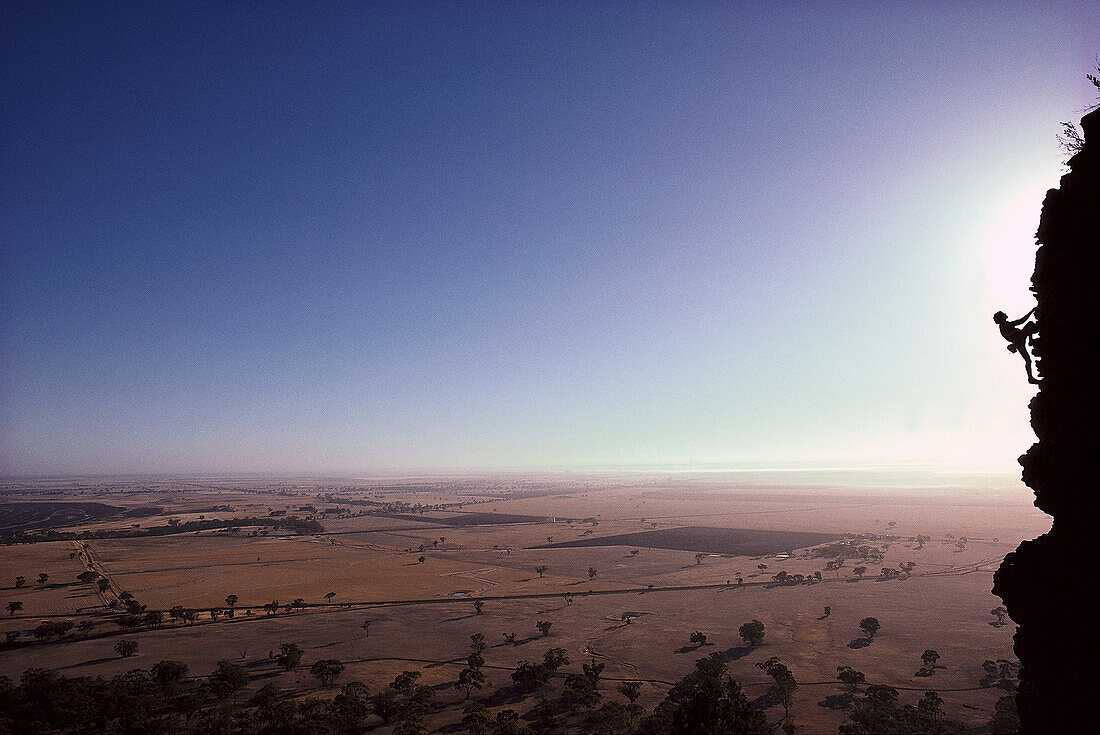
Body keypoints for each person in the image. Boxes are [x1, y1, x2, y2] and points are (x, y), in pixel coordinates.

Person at [994, 307, 1040, 384]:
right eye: (1003, 314)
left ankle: (1030, 378)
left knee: (1028, 360)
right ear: (1001, 318)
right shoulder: (1004, 325)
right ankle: (1031, 340)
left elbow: (1019, 323)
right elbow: (1021, 321)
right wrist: (1031, 311)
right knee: (1030, 324)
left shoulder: (1004, 326)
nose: (1005, 314)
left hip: (1018, 341)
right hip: (1018, 339)